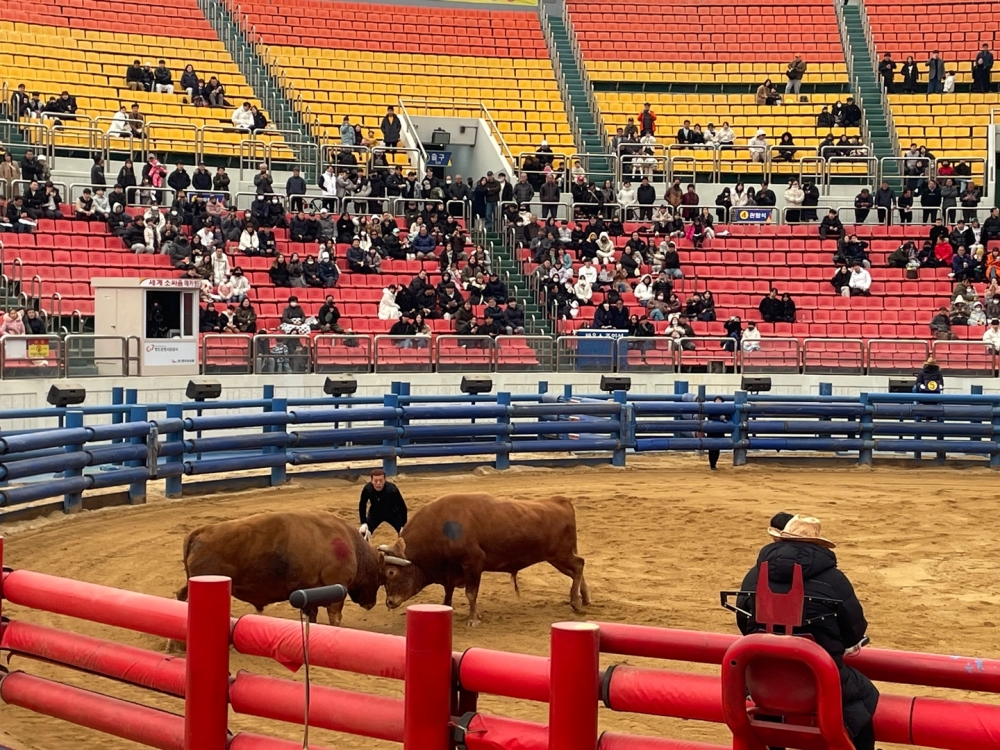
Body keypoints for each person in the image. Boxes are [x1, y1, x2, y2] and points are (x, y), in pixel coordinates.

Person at [735, 514, 878, 750]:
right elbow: (854, 631)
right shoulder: (834, 579)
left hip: (761, 681)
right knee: (865, 694)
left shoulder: (754, 574)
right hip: (819, 679)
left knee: (770, 705)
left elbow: (744, 623)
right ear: (818, 546)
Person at [358, 468, 407, 541]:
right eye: (376, 481)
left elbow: (402, 506)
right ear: (371, 481)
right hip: (375, 513)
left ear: (385, 480)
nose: (378, 483)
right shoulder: (367, 489)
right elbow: (362, 505)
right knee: (363, 533)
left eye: (381, 480)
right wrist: (364, 522)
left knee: (405, 534)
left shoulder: (392, 489)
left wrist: (403, 525)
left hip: (393, 513)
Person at [705, 397, 727, 471]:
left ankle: (714, 463)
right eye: (716, 400)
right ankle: (712, 464)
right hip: (711, 432)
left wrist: (724, 417)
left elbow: (729, 417)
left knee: (717, 449)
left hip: (720, 431)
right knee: (711, 449)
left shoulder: (726, 410)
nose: (718, 402)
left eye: (719, 401)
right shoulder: (711, 410)